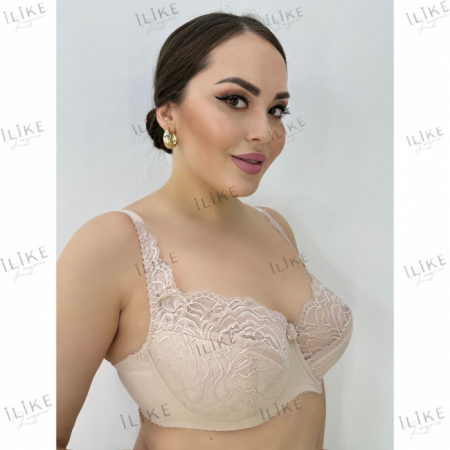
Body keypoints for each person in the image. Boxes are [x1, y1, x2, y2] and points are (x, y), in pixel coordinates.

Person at [57, 12, 353, 450]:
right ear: (168, 113)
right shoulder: (114, 244)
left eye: (276, 110)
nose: (264, 132)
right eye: (235, 100)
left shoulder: (276, 226)